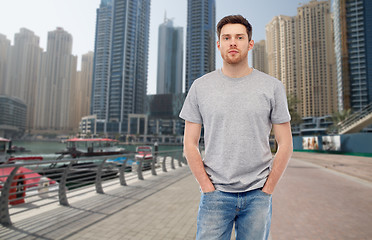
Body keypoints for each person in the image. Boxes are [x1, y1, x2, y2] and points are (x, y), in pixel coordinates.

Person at [179, 15, 293, 240]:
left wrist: (267, 190)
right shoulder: (200, 87)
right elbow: (189, 144)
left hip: (257, 196)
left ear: (250, 43)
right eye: (227, 37)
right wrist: (207, 188)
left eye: (240, 37)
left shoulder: (272, 87)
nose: (233, 42)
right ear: (218, 44)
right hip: (215, 195)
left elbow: (286, 144)